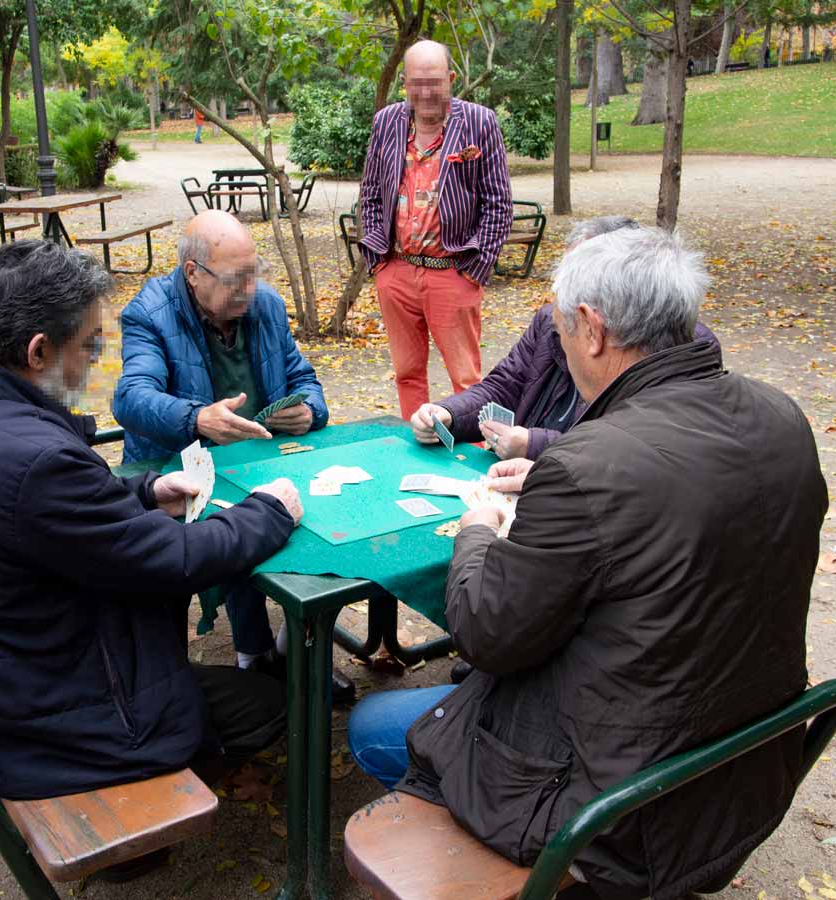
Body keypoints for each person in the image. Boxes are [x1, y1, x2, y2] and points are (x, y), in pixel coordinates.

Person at [348, 225, 828, 898]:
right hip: (742, 761)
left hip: (619, 803)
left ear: (593, 330)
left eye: (563, 328)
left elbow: (487, 637)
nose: (562, 343)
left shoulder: (587, 466)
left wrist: (480, 528)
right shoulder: (784, 418)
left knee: (374, 724)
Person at [0, 240, 304, 806]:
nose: (96, 361)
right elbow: (173, 562)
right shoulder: (36, 461)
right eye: (89, 346)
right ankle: (139, 836)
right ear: (37, 351)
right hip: (38, 727)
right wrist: (270, 511)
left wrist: (145, 490)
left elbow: (34, 513)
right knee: (273, 704)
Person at [113, 210, 353, 701]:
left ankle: (296, 644)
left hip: (265, 458)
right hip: (179, 472)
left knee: (328, 519)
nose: (248, 290)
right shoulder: (148, 312)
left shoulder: (265, 304)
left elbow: (305, 380)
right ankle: (255, 659)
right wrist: (196, 420)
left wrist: (310, 411)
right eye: (234, 279)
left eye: (254, 273)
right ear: (193, 273)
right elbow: (131, 397)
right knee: (238, 528)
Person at [410, 216, 720, 464]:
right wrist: (448, 413)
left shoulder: (680, 349)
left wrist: (535, 445)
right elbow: (505, 386)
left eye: (576, 276)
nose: (561, 292)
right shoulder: (551, 321)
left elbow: (635, 452)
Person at [356, 39, 512, 420]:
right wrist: (380, 263)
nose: (425, 92)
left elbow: (499, 204)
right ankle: (417, 445)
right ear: (405, 83)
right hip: (397, 271)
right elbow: (372, 193)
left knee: (467, 379)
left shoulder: (479, 122)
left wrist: (474, 270)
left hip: (452, 273)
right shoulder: (387, 122)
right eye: (416, 83)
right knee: (408, 373)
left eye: (434, 82)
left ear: (451, 79)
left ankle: (472, 454)